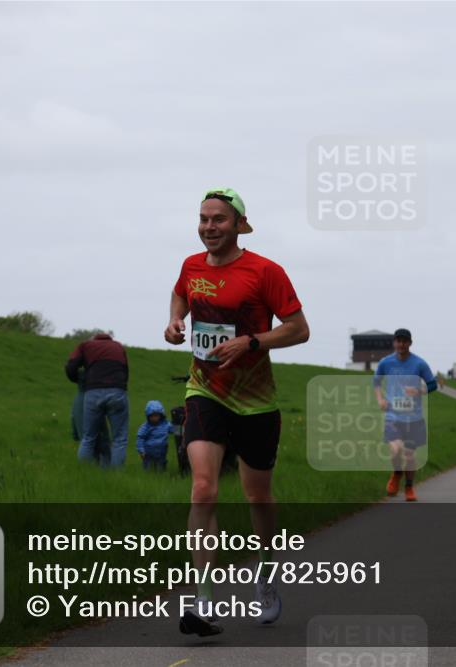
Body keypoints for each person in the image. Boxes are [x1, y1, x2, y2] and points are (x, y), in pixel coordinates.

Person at [164, 187, 309, 637]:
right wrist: (175, 321)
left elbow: (299, 330)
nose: (209, 226)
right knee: (203, 488)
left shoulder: (265, 271)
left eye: (219, 220)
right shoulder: (191, 265)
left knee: (257, 497)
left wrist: (251, 341)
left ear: (238, 224)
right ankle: (203, 600)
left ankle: (266, 574)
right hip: (204, 390)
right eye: (204, 218)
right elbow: (180, 294)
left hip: (255, 400)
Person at [374, 328, 438, 503]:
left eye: (404, 341)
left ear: (410, 343)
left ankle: (409, 486)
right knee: (395, 450)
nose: (401, 344)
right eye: (398, 341)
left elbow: (433, 385)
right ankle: (396, 475)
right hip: (393, 416)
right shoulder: (386, 363)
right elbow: (376, 382)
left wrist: (418, 390)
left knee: (409, 455)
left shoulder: (419, 364)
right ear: (394, 343)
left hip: (413, 418)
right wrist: (380, 399)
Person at [65, 332, 130, 467]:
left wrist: (78, 379)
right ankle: (115, 476)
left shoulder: (85, 345)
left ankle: (84, 472)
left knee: (89, 437)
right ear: (110, 339)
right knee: (119, 439)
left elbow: (70, 366)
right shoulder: (118, 346)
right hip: (117, 391)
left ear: (94, 339)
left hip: (93, 392)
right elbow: (125, 371)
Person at [71, 375, 111, 467]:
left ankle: (87, 473)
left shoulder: (76, 399)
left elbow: (73, 418)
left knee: (88, 462)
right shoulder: (93, 398)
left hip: (83, 440)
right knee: (104, 453)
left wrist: (75, 434)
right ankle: (107, 474)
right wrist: (105, 437)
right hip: (96, 438)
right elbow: (101, 420)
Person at [136, 400, 173, 472]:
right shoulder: (145, 427)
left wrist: (182, 429)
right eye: (151, 416)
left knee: (161, 466)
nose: (154, 418)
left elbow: (174, 429)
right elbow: (140, 438)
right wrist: (141, 450)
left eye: (156, 415)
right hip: (148, 452)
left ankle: (161, 475)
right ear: (148, 416)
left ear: (161, 415)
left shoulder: (165, 424)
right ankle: (149, 475)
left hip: (162, 451)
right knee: (148, 467)